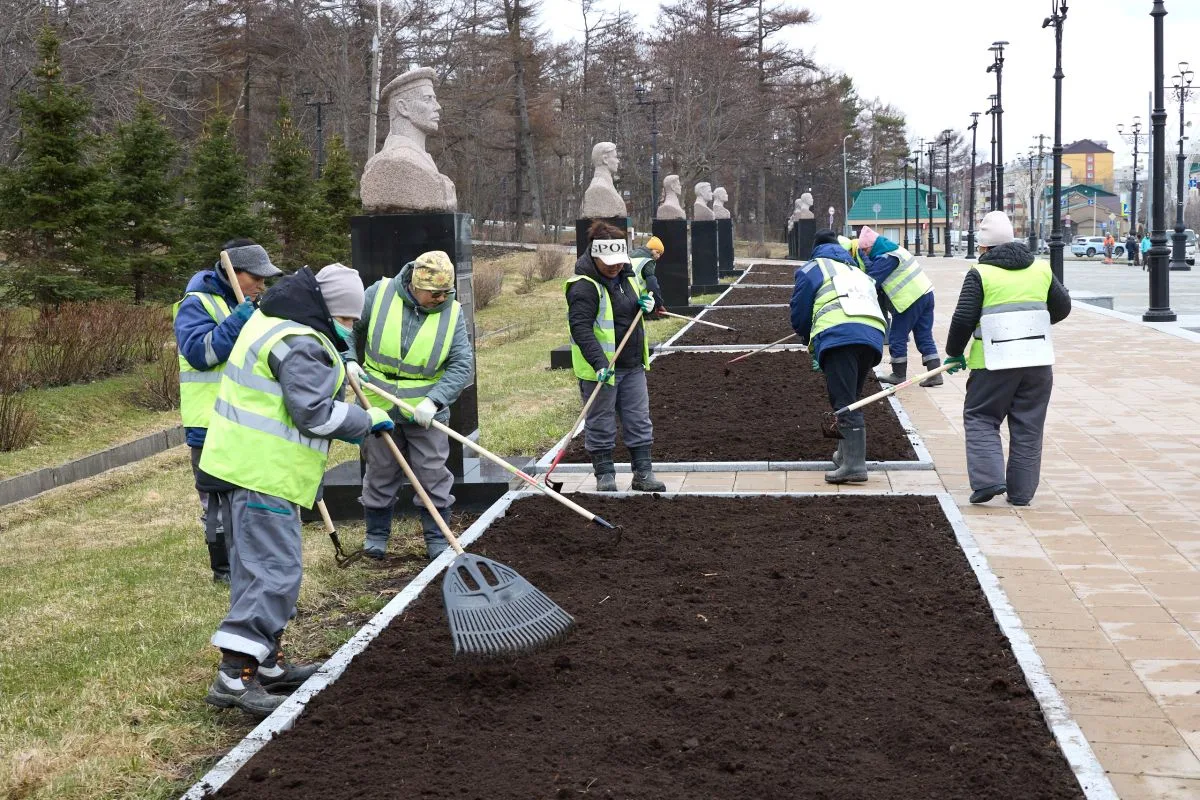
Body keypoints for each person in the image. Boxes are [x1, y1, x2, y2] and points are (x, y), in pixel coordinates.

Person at [201, 264, 394, 717]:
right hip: (265, 473)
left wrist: (342, 364)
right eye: (345, 320)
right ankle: (234, 675)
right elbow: (314, 415)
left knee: (255, 571)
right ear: (327, 310)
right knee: (274, 573)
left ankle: (266, 663)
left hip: (245, 467)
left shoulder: (277, 323)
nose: (348, 328)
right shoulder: (303, 343)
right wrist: (365, 420)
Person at [343, 251, 474, 561]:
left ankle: (437, 537)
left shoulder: (452, 313)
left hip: (424, 411)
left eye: (446, 292)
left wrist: (435, 400)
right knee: (380, 469)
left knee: (432, 473)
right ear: (415, 284)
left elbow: (461, 364)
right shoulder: (378, 294)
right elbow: (347, 329)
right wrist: (349, 360)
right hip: (377, 402)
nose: (440, 299)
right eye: (434, 293)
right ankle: (376, 536)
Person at [942, 211, 1071, 507]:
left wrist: (953, 353)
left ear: (984, 246)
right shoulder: (1040, 269)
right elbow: (1062, 307)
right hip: (1037, 362)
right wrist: (1032, 325)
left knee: (981, 416)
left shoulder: (980, 273)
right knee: (1029, 425)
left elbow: (963, 319)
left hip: (992, 363)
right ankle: (1021, 494)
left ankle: (988, 481)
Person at [173, 238, 282, 584]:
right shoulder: (197, 303)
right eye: (256, 277)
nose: (262, 285)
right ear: (233, 272)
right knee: (217, 503)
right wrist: (237, 322)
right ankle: (224, 570)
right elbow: (200, 354)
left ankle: (250, 562)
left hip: (249, 418)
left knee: (248, 500)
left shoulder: (252, 304)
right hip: (210, 422)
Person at [566, 220, 665, 492]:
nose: (615, 267)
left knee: (639, 419)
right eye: (609, 263)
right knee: (601, 422)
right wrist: (599, 363)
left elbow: (634, 308)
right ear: (595, 256)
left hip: (632, 364)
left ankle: (643, 473)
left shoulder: (627, 276)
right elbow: (580, 329)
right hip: (601, 368)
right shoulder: (583, 286)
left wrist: (647, 305)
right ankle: (605, 475)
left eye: (619, 262)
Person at [790, 229, 886, 484]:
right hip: (872, 337)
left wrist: (805, 335)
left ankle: (854, 465)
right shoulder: (856, 270)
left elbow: (800, 310)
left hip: (840, 337)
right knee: (851, 397)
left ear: (815, 248)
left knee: (844, 401)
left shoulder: (814, 267)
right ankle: (844, 456)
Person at [857, 226, 941, 388]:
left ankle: (898, 374)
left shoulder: (886, 258)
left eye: (865, 250)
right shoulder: (895, 250)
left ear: (871, 246)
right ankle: (935, 374)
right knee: (924, 335)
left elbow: (871, 280)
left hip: (910, 300)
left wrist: (864, 261)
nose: (865, 254)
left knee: (897, 337)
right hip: (926, 293)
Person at [629, 235, 666, 312]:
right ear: (650, 249)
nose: (658, 256)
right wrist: (659, 304)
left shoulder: (630, 256)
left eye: (660, 254)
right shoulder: (648, 262)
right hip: (638, 299)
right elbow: (652, 285)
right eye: (657, 252)